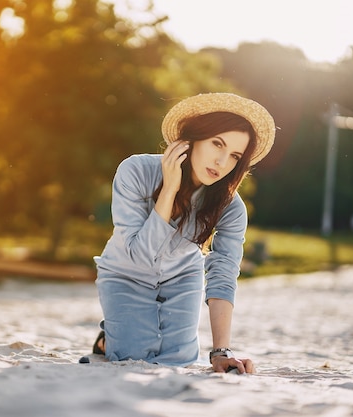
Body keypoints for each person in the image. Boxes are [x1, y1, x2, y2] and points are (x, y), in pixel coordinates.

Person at [92, 92, 276, 373]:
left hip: (182, 277)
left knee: (177, 360)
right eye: (217, 144)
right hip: (125, 272)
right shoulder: (135, 171)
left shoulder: (231, 207)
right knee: (132, 356)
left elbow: (223, 273)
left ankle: (125, 331)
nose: (222, 161)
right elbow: (140, 258)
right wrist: (169, 190)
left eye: (235, 156)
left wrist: (220, 351)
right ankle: (109, 338)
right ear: (192, 138)